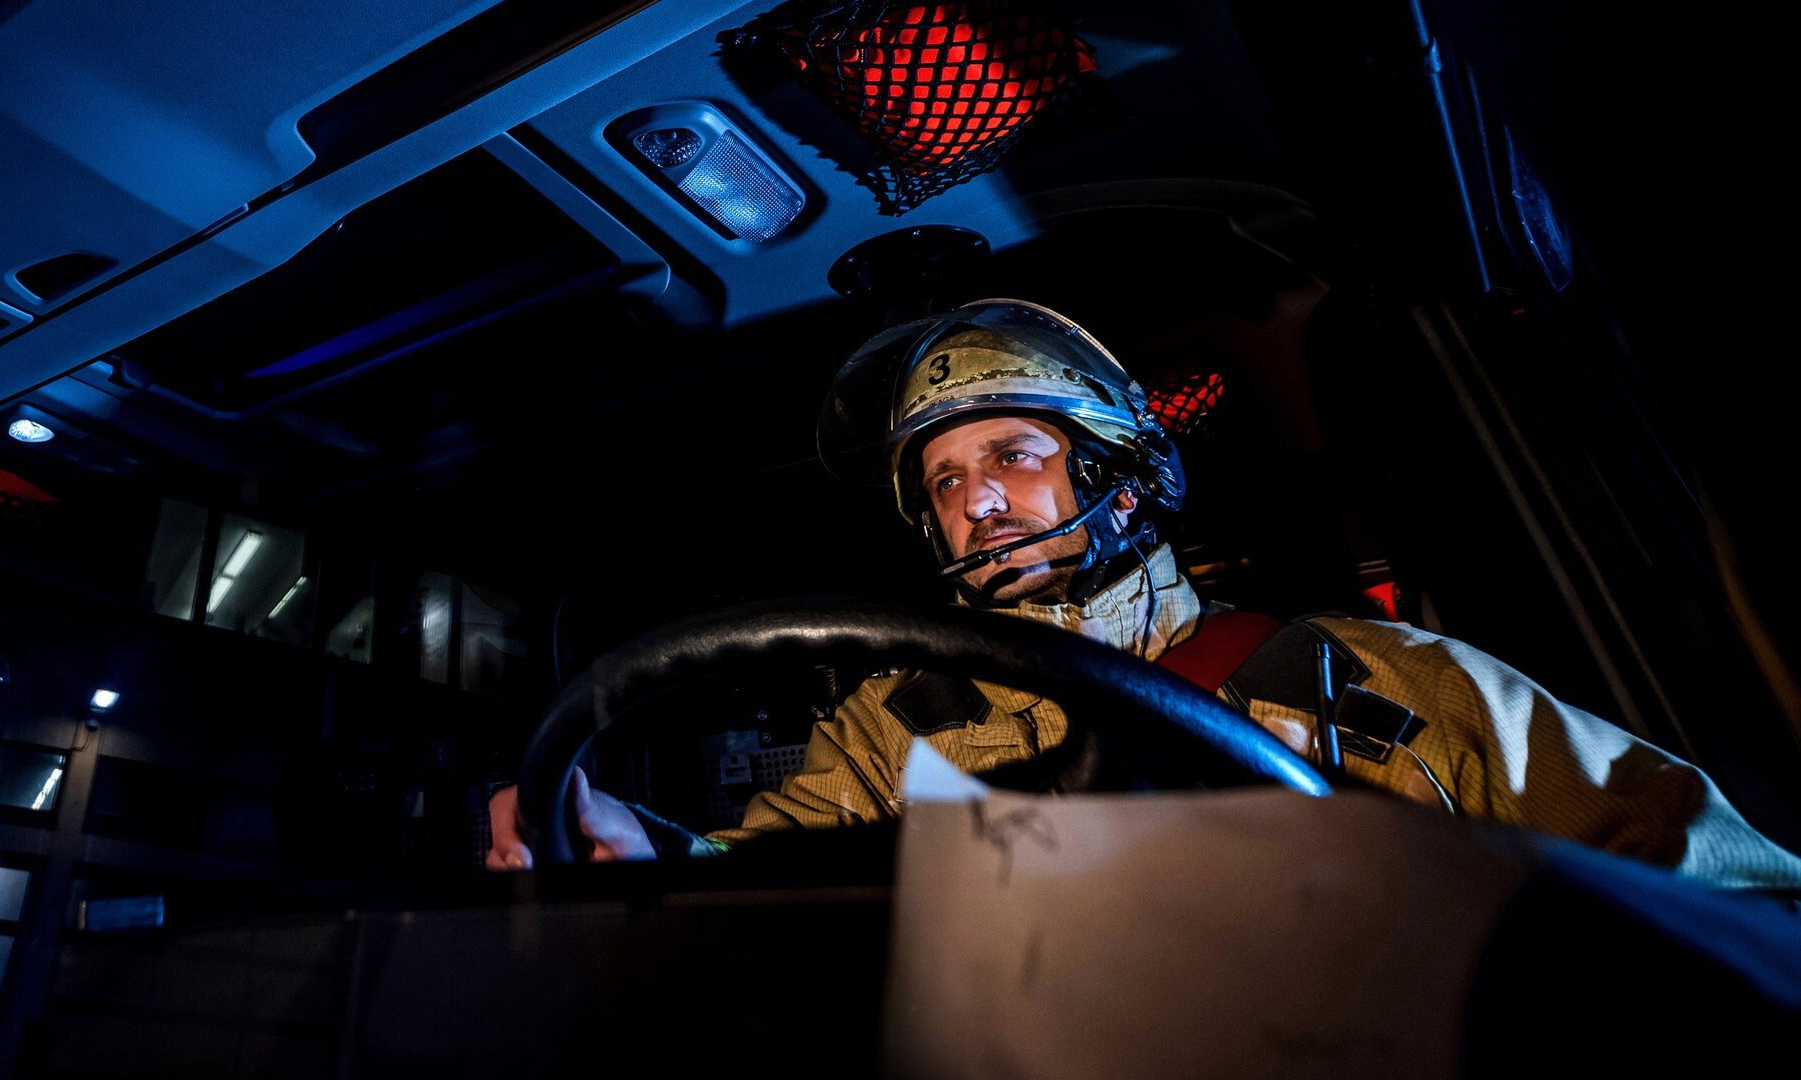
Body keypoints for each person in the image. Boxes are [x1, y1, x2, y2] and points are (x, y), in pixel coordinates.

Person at [488, 299, 1801, 890]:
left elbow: (1726, 895)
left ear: (1119, 479)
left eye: (1012, 454)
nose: (976, 501)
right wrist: (643, 851)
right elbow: (770, 886)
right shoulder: (897, 726)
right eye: (945, 481)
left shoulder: (1379, 678)